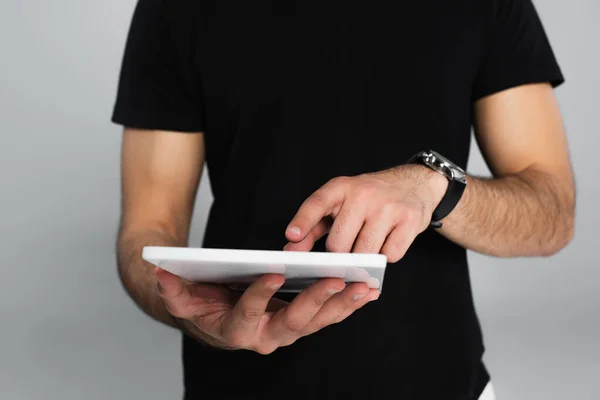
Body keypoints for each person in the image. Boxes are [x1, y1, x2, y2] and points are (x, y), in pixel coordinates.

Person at [111, 0, 575, 399]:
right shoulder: (177, 6)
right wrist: (195, 312)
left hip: (444, 384)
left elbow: (551, 212)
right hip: (236, 381)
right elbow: (146, 232)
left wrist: (434, 186)